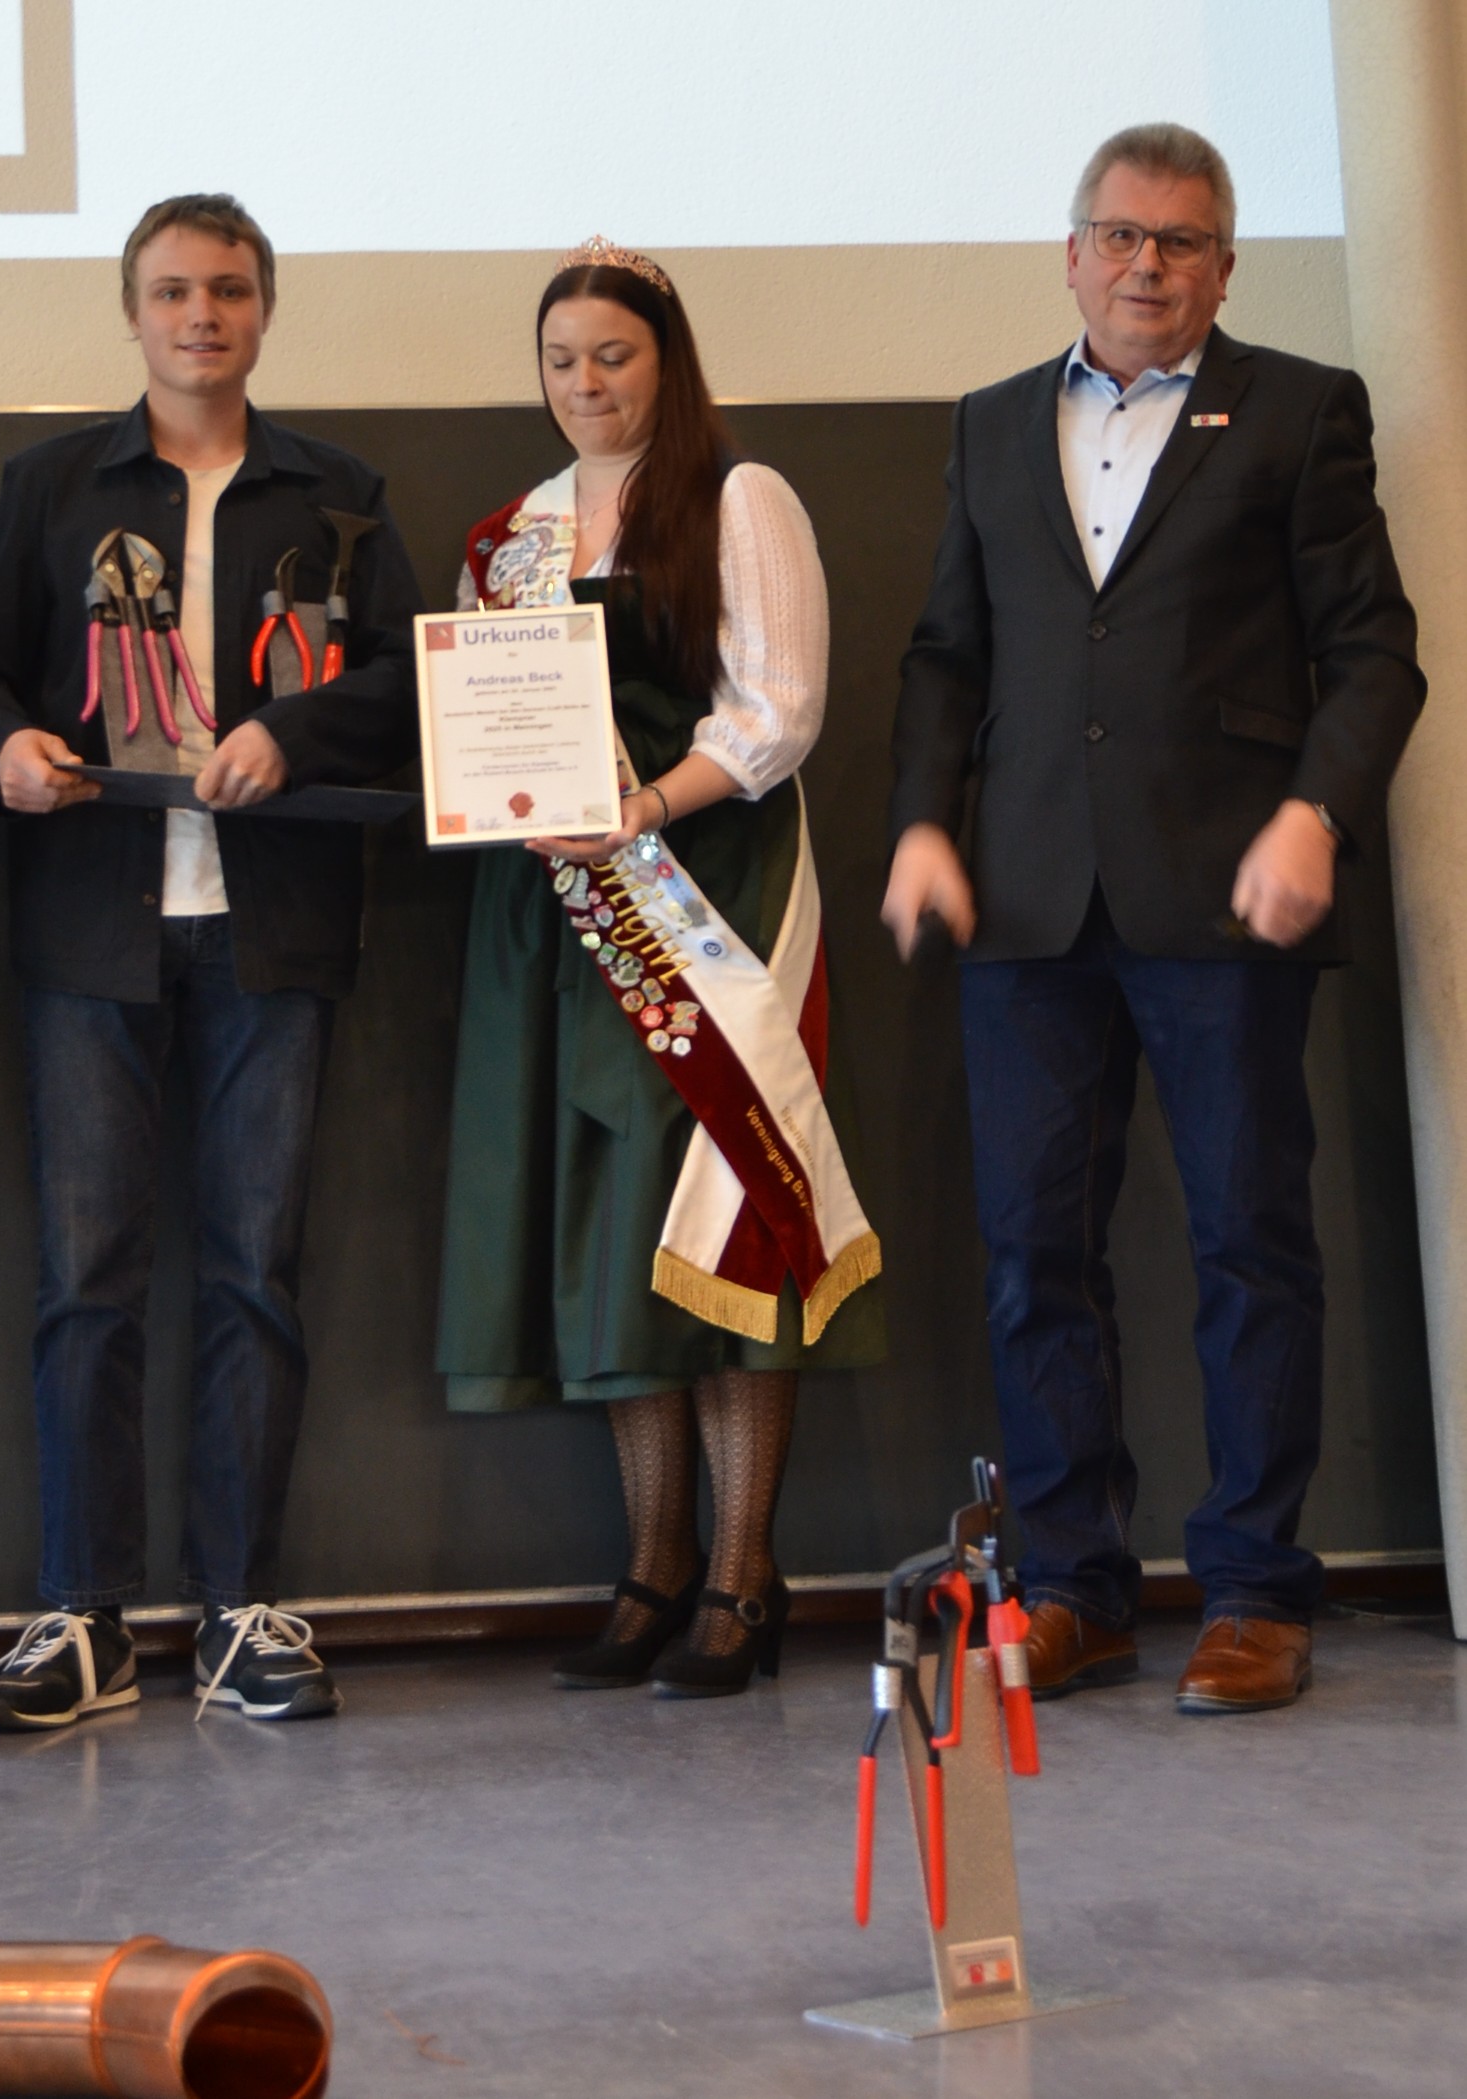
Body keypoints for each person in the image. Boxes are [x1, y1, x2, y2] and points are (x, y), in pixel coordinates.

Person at [883, 124, 1424, 1715]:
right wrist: (924, 823)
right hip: (1027, 902)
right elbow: (948, 657)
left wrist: (1315, 816)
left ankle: (1255, 1592)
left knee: (1250, 1243)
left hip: (1227, 895)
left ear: (1225, 268)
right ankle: (1074, 1590)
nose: (1146, 265)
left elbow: (1374, 653)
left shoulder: (1302, 413)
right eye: (1119, 236)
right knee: (1033, 1255)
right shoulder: (990, 423)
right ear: (1072, 255)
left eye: (1180, 242)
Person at [0, 193, 422, 1727]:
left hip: (274, 926)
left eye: (227, 289)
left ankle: (237, 1611)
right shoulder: (51, 485)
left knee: (255, 1273)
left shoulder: (337, 494)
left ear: (263, 309)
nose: (200, 315)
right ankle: (83, 1614)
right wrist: (3, 745)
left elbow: (412, 675)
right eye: (170, 291)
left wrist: (294, 729)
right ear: (131, 310)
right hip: (94, 925)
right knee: (86, 1276)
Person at [435, 238, 884, 1699]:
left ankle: (745, 1573)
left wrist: (647, 806)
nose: (586, 383)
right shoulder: (511, 534)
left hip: (708, 895)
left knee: (720, 1216)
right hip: (561, 915)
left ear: (667, 360)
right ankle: (655, 1566)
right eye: (561, 359)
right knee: (609, 1230)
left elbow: (780, 711)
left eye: (613, 355)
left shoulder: (739, 497)